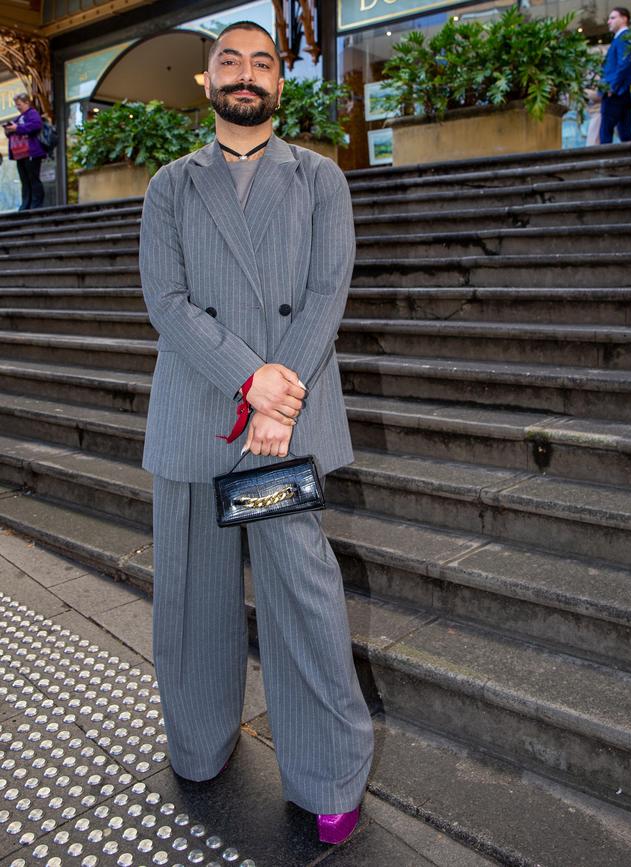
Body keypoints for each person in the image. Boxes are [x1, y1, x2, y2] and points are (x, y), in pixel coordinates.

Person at [138, 20, 373, 846]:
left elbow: (326, 294)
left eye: (261, 62)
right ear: (205, 81)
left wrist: (277, 399)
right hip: (197, 416)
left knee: (304, 602)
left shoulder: (320, 181)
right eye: (229, 61)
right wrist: (249, 378)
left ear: (280, 81)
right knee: (192, 600)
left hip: (285, 427)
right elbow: (165, 301)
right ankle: (199, 740)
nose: (245, 74)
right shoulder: (171, 184)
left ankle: (330, 773)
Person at [600, 7, 631, 144]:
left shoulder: (623, 38)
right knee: (626, 135)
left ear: (624, 19)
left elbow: (625, 63)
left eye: (613, 18)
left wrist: (612, 87)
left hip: (616, 93)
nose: (609, 21)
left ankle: (605, 165)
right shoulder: (623, 38)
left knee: (605, 133)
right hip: (624, 93)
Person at [2, 93, 46, 210]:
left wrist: (17, 128)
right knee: (25, 180)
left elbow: (36, 125)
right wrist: (9, 130)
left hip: (31, 152)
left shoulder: (32, 113)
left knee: (33, 178)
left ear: (27, 102)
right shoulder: (19, 117)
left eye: (19, 104)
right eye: (16, 105)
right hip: (20, 155)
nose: (18, 107)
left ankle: (36, 204)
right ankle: (26, 204)